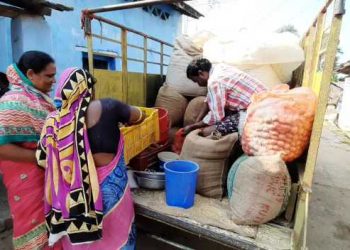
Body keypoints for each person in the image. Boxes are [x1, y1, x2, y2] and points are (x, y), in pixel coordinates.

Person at [36, 67, 145, 249]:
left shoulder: (53, 121)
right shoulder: (108, 106)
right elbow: (138, 116)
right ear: (88, 89)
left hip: (72, 200)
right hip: (111, 195)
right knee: (116, 239)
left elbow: (41, 159)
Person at [0, 51, 56, 249]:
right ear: (31, 74)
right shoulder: (13, 101)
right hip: (27, 178)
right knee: (34, 224)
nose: (54, 80)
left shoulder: (40, 98)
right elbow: (2, 147)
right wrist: (41, 157)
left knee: (53, 228)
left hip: (47, 176)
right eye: (49, 76)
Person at [184, 58, 267, 136]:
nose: (198, 84)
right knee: (226, 112)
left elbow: (216, 116)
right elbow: (209, 98)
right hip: (268, 99)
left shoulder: (214, 82)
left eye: (196, 81)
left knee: (207, 132)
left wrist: (193, 127)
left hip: (258, 112)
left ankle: (221, 140)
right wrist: (197, 121)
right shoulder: (221, 67)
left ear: (201, 73)